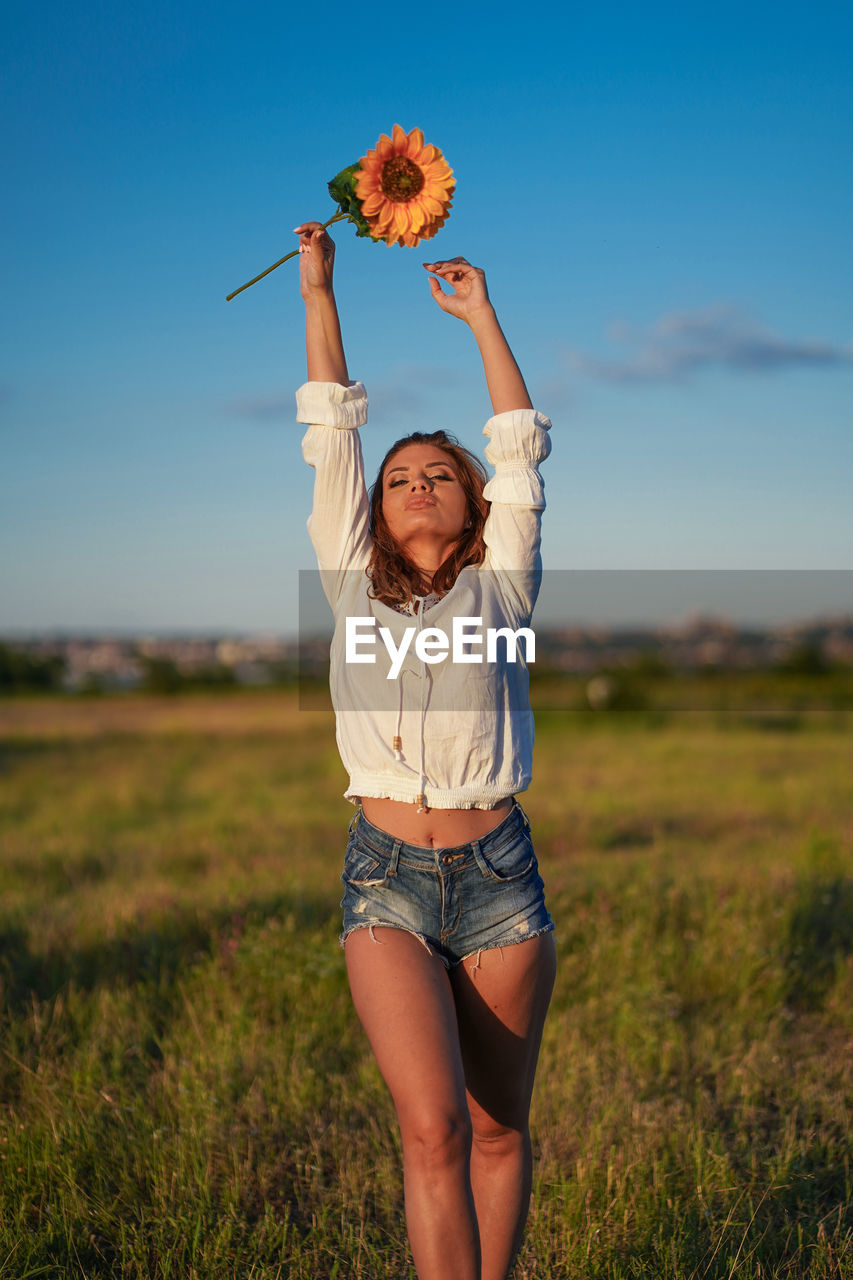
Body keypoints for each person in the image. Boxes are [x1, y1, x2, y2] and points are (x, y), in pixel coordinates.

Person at [293, 220, 557, 1280]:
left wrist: (481, 315)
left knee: (499, 1128)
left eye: (437, 474)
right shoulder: (347, 579)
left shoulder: (504, 586)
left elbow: (518, 443)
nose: (413, 482)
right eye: (399, 474)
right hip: (385, 876)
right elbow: (329, 432)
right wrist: (319, 291)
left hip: (498, 877)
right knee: (433, 1130)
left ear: (469, 502)